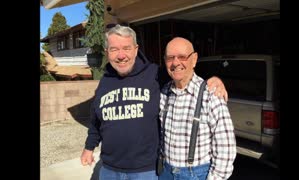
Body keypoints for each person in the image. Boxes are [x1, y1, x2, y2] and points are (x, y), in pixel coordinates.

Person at [80, 25, 228, 180]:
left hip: (145, 171)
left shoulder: (155, 74)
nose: (121, 55)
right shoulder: (105, 81)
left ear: (136, 49)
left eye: (126, 48)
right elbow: (95, 119)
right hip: (110, 170)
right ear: (107, 52)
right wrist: (89, 147)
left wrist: (214, 79)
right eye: (114, 49)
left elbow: (181, 73)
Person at [159, 37, 237, 180]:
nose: (175, 63)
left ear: (194, 59)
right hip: (166, 172)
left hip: (196, 174)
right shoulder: (164, 92)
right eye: (170, 58)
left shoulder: (211, 94)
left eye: (182, 57)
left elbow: (225, 148)